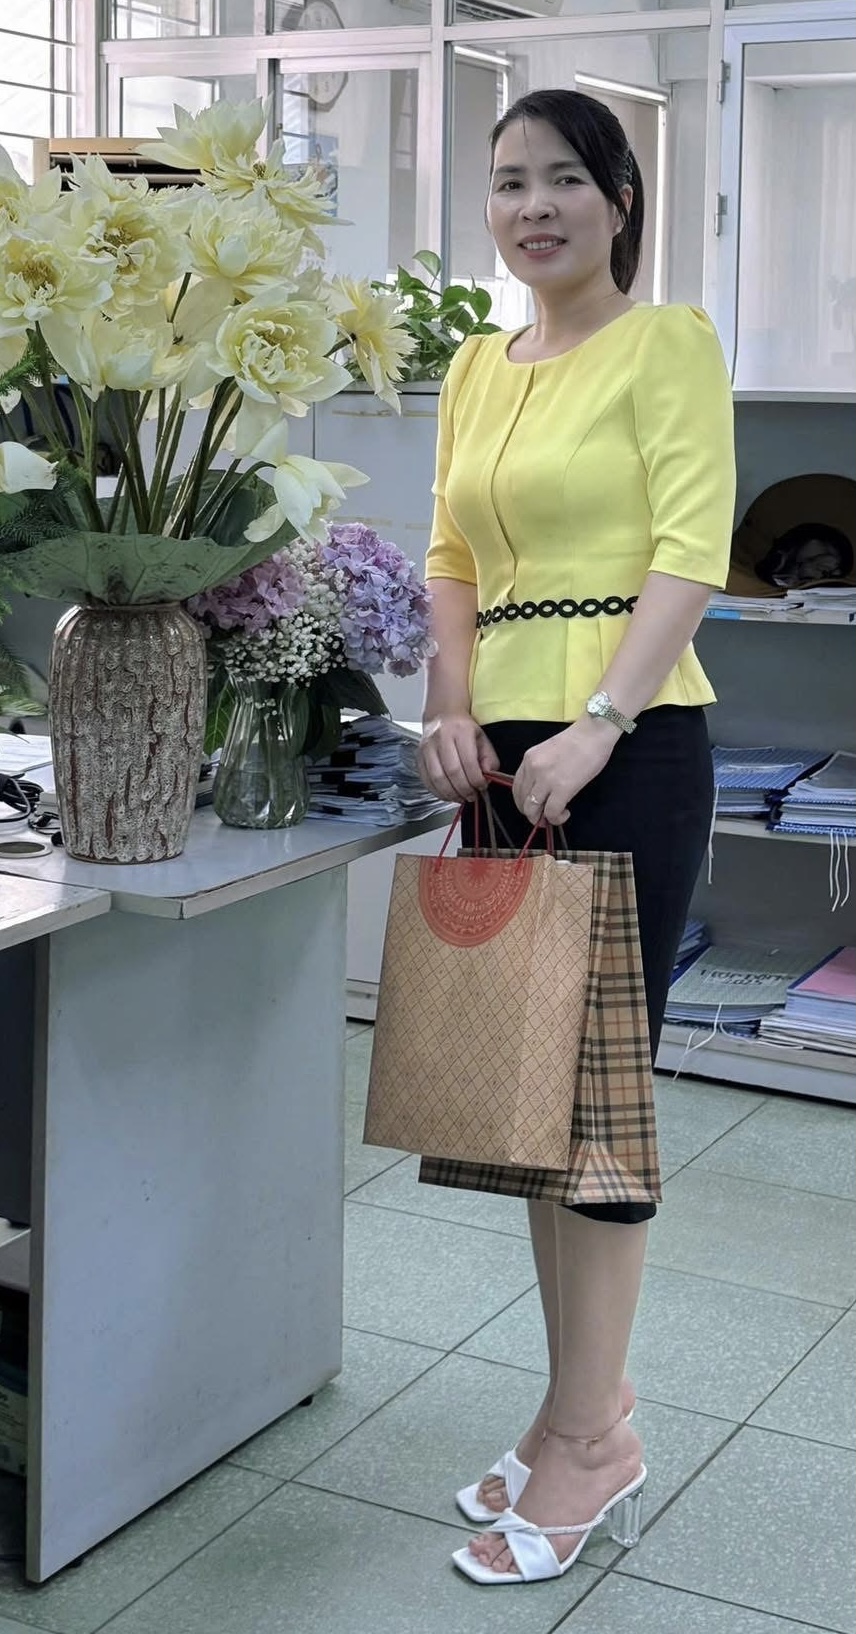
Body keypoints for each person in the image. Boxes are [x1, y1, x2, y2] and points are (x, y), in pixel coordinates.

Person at [416, 87, 736, 1586]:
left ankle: (595, 1441)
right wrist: (449, 706)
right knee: (525, 1113)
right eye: (506, 181)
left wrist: (599, 720)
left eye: (562, 178)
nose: (531, 206)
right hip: (501, 760)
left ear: (619, 199)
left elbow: (691, 549)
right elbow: (450, 556)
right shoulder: (476, 365)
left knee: (597, 1114)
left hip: (629, 745)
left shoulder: (667, 343)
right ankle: (573, 1411)